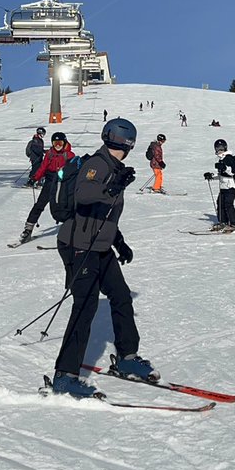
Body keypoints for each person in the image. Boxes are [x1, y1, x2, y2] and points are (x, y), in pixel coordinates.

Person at [52, 117, 159, 399]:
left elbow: (106, 214)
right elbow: (84, 195)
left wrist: (119, 242)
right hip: (78, 245)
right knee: (84, 307)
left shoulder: (114, 167)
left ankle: (127, 356)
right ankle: (64, 376)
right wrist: (112, 187)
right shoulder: (97, 164)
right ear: (127, 141)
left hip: (100, 246)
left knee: (121, 296)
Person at [16, 131, 74, 243]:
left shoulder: (69, 155)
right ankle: (28, 229)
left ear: (64, 142)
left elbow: (74, 170)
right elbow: (43, 167)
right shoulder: (50, 154)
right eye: (55, 143)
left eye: (60, 143)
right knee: (40, 204)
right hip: (50, 181)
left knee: (66, 206)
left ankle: (71, 230)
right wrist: (35, 178)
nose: (58, 146)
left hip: (63, 183)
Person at [204, 138, 235, 231]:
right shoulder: (221, 159)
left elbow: (231, 172)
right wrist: (211, 176)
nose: (220, 150)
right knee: (220, 203)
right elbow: (222, 174)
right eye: (218, 148)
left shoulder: (229, 158)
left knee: (228, 204)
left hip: (230, 186)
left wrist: (224, 168)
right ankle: (223, 222)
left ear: (225, 147)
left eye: (221, 148)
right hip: (223, 186)